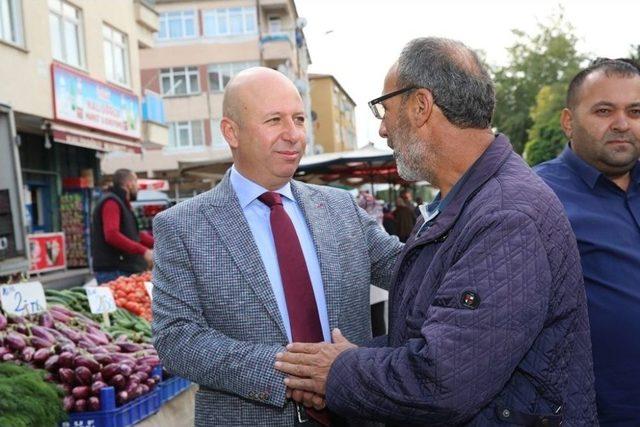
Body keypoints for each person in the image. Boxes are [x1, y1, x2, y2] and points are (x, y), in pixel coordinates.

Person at [275, 37, 597, 426]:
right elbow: (436, 334)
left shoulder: (506, 217)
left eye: (384, 109)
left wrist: (340, 370)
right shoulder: (470, 202)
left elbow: (443, 380)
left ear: (420, 106)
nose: (381, 130)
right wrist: (353, 361)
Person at [151, 67, 402, 427]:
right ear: (231, 132)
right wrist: (293, 372)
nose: (293, 134)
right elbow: (176, 338)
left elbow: (406, 267)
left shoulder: (340, 207)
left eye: (299, 119)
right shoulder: (182, 226)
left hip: (354, 415)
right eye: (274, 120)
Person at [535, 58, 640, 425]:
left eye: (636, 111)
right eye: (604, 110)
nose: (623, 124)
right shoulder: (536, 198)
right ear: (568, 121)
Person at [91, 168, 153, 284]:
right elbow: (112, 235)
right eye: (136, 182)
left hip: (122, 269)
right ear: (128, 184)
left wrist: (159, 242)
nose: (137, 187)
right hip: (114, 270)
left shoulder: (122, 202)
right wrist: (143, 251)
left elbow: (133, 234)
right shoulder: (111, 202)